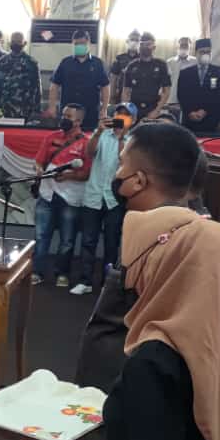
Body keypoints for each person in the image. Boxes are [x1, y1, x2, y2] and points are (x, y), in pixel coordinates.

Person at [23, 150, 220, 440]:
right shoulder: (206, 343)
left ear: (166, 264)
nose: (131, 270)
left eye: (141, 255)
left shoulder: (153, 360)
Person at [77, 103, 134, 297]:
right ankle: (84, 281)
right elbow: (89, 154)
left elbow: (124, 162)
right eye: (118, 114)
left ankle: (106, 284)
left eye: (126, 116)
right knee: (88, 240)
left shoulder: (133, 141)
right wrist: (99, 132)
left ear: (133, 120)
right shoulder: (101, 134)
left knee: (111, 242)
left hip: (115, 199)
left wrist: (121, 137)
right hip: (93, 194)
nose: (120, 118)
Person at [31, 104, 91, 287]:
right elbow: (38, 161)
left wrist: (68, 176)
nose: (64, 119)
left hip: (70, 197)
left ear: (78, 121)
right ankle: (36, 272)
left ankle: (62, 273)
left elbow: (86, 174)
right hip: (47, 193)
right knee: (41, 236)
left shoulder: (86, 143)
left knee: (67, 239)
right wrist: (39, 170)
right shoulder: (51, 137)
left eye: (68, 116)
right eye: (63, 115)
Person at [47, 30, 109, 130]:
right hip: (68, 113)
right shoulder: (65, 63)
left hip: (90, 111)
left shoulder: (97, 63)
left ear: (89, 43)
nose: (79, 46)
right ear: (73, 44)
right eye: (76, 44)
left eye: (82, 43)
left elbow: (105, 86)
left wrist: (104, 108)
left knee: (89, 137)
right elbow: (54, 85)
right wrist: (52, 106)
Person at [178, 38, 220, 134]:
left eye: (208, 52)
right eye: (202, 52)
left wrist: (205, 111)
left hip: (212, 120)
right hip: (190, 120)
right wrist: (190, 112)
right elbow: (181, 95)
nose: (205, 54)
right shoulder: (185, 73)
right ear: (195, 53)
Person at [121, 31, 171, 120]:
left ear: (154, 47)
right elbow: (126, 92)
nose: (145, 47)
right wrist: (127, 110)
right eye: (142, 44)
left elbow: (166, 92)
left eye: (148, 44)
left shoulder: (161, 65)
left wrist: (157, 111)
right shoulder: (131, 66)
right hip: (134, 109)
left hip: (153, 108)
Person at [0, 32, 41, 120]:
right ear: (9, 43)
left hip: (25, 110)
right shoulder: (2, 62)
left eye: (18, 42)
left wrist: (36, 110)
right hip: (4, 110)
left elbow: (36, 88)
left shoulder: (31, 63)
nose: (15, 44)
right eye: (13, 42)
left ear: (24, 43)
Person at [109, 29, 141, 105]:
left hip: (139, 96)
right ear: (127, 41)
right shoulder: (120, 58)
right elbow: (113, 78)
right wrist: (112, 96)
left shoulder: (143, 59)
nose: (134, 42)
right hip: (121, 94)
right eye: (132, 39)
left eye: (137, 40)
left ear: (140, 43)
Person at [166, 36, 197, 109]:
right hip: (172, 99)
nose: (183, 47)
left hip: (189, 99)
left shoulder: (195, 62)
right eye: (182, 45)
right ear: (178, 46)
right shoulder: (170, 62)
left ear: (190, 47)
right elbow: (165, 83)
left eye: (186, 45)